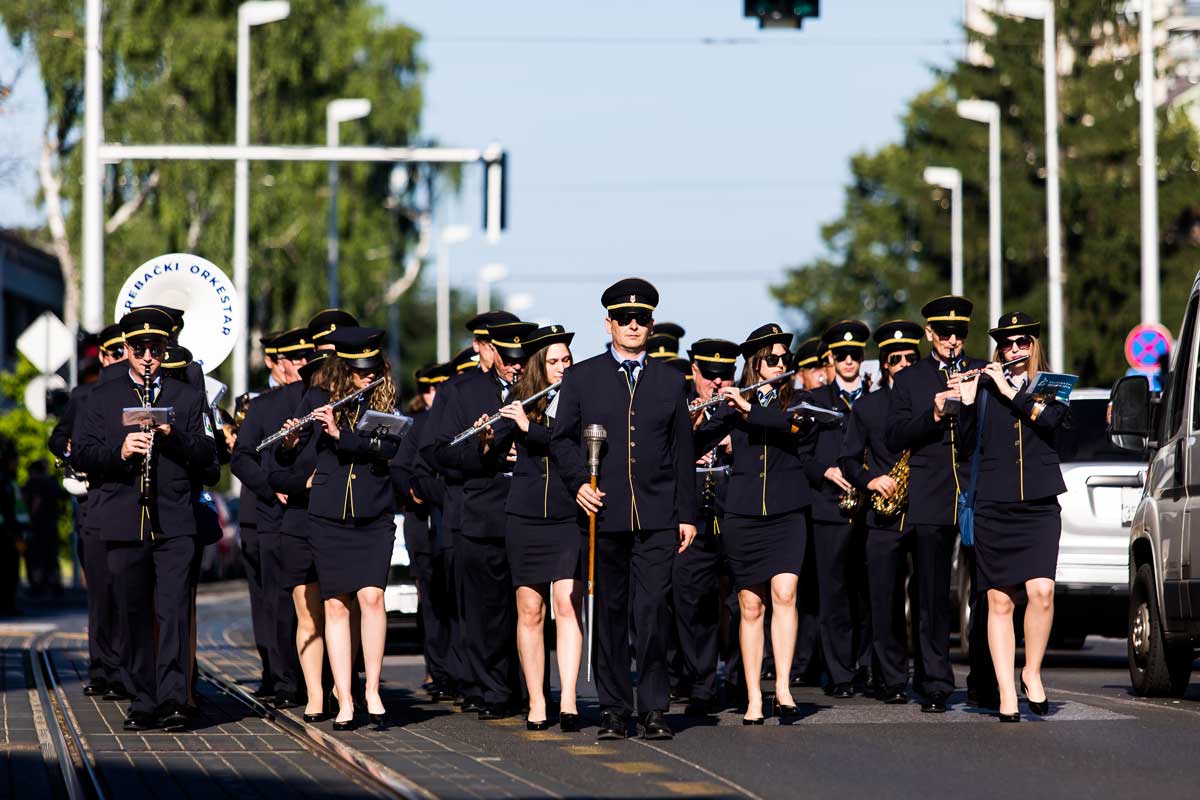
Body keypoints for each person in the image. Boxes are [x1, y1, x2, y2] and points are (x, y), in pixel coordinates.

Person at [550, 278, 697, 741]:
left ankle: (654, 707)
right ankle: (614, 709)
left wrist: (686, 513)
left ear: (651, 325)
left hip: (656, 516)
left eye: (642, 319)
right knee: (609, 613)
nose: (634, 325)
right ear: (609, 323)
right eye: (624, 318)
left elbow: (682, 451)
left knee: (652, 612)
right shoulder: (583, 376)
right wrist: (577, 484)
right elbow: (561, 439)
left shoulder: (671, 380)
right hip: (603, 515)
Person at [74, 306, 219, 731]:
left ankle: (175, 699)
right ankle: (143, 698)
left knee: (171, 613)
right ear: (127, 351)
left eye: (155, 348)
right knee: (133, 612)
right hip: (123, 520)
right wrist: (119, 453)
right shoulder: (102, 396)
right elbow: (83, 454)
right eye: (139, 348)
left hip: (175, 521)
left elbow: (211, 460)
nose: (148, 356)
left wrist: (177, 437)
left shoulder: (189, 397)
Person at [278, 326, 401, 731]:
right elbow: (293, 466)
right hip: (328, 516)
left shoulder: (386, 401)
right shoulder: (316, 398)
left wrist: (340, 434)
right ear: (344, 370)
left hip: (373, 515)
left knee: (371, 598)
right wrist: (292, 441)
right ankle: (344, 698)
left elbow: (386, 450)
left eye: (372, 369)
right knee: (335, 605)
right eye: (359, 370)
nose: (367, 376)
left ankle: (372, 690)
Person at [696, 325, 814, 723]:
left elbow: (796, 428)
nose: (781, 364)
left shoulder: (797, 400)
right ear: (755, 364)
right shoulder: (733, 404)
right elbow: (695, 443)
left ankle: (782, 685)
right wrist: (702, 415)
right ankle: (753, 696)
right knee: (750, 605)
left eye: (785, 359)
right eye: (773, 359)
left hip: (787, 512)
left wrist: (750, 410)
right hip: (744, 515)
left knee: (785, 592)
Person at [958, 312, 1067, 722]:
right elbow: (967, 446)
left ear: (1033, 345)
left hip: (1039, 504)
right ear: (999, 349)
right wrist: (968, 402)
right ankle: (1006, 692)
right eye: (1008, 344)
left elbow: (1052, 422)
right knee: (999, 601)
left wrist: (1010, 390)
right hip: (994, 504)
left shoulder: (1052, 386)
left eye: (1022, 342)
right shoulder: (984, 387)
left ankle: (1031, 671)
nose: (1015, 350)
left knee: (1041, 592)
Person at [886, 295, 989, 713]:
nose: (952, 340)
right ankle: (934, 681)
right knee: (930, 594)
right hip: (930, 497)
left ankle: (984, 677)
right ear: (929, 333)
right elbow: (894, 435)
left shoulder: (982, 372)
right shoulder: (911, 380)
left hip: (977, 493)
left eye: (959, 333)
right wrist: (931, 414)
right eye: (944, 333)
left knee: (986, 593)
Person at [431, 318, 538, 720]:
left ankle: (530, 687)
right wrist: (484, 450)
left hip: (532, 509)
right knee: (486, 609)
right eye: (509, 359)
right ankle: (491, 687)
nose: (516, 367)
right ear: (490, 352)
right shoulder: (460, 392)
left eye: (522, 359)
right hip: (483, 510)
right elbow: (437, 452)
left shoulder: (539, 390)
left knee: (530, 607)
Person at [486, 325, 584, 731]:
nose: (562, 367)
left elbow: (572, 444)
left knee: (566, 606)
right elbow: (489, 452)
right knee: (530, 610)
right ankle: (538, 701)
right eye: (554, 361)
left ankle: (570, 700)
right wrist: (492, 431)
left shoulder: (580, 401)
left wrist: (530, 428)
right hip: (525, 515)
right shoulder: (518, 399)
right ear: (537, 368)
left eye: (566, 360)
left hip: (567, 514)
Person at [839, 320, 924, 704]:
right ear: (884, 366)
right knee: (884, 600)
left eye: (910, 357)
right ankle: (891, 678)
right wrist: (871, 479)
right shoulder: (868, 407)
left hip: (926, 510)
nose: (903, 364)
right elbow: (848, 459)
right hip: (884, 514)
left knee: (927, 599)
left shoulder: (933, 398)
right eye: (894, 359)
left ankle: (928, 677)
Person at [231, 327, 313, 710]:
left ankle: (320, 679)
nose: (300, 365)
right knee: (277, 602)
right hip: (272, 515)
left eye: (305, 358)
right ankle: (282, 677)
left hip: (317, 515)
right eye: (293, 359)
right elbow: (241, 457)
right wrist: (270, 486)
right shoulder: (263, 405)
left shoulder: (326, 401)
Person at [49, 322, 127, 697]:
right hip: (92, 503)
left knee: (126, 590)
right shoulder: (83, 396)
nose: (117, 361)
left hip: (128, 504)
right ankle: (102, 669)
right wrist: (72, 456)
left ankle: (124, 667)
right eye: (113, 355)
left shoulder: (138, 395)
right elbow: (58, 438)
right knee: (100, 592)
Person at [805, 320, 874, 698]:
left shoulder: (875, 396)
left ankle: (864, 665)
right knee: (832, 593)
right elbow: (803, 455)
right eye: (842, 355)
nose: (849, 360)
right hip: (830, 507)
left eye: (855, 355)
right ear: (830, 359)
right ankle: (839, 672)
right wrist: (825, 470)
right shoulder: (815, 400)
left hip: (868, 507)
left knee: (865, 592)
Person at [671, 338, 737, 717]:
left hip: (732, 511)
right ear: (695, 371)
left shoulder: (738, 408)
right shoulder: (679, 406)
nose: (717, 383)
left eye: (724, 375)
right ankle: (700, 682)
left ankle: (740, 679)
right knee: (691, 600)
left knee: (740, 600)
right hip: (692, 512)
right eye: (710, 375)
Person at [392, 361, 455, 700]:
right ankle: (437, 669)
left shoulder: (453, 420)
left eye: (442, 388)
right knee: (430, 597)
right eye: (431, 389)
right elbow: (400, 469)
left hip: (453, 520)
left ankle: (455, 668)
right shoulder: (416, 425)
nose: (436, 395)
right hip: (422, 521)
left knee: (457, 597)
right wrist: (415, 489)